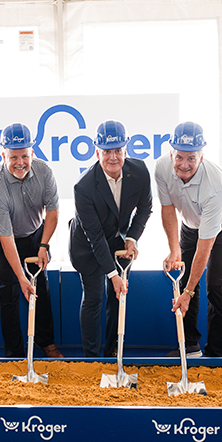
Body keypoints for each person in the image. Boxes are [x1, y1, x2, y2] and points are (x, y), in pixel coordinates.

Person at [69, 120, 153, 357]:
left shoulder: (140, 172)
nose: (113, 157)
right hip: (87, 246)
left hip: (118, 241)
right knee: (95, 297)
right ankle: (92, 357)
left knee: (118, 298)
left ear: (125, 149)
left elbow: (145, 209)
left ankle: (112, 352)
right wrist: (113, 274)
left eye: (118, 150)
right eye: (107, 151)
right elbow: (94, 236)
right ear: (98, 153)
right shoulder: (84, 187)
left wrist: (133, 238)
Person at [155, 121, 222, 358]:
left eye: (191, 158)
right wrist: (174, 249)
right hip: (189, 223)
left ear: (201, 158)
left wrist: (189, 293)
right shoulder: (162, 168)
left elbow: (206, 243)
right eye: (179, 157)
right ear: (171, 153)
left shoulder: (215, 184)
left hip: (221, 225)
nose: (184, 164)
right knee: (183, 281)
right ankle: (190, 346)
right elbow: (168, 209)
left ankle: (215, 353)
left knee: (215, 285)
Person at [0, 122, 63, 358]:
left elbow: (53, 211)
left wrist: (44, 245)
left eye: (25, 156)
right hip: (2, 238)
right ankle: (15, 353)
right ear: (3, 155)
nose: (20, 162)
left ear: (32, 153)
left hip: (35, 233)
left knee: (41, 288)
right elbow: (6, 238)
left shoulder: (44, 171)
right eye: (13, 157)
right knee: (9, 292)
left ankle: (46, 342)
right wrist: (21, 276)